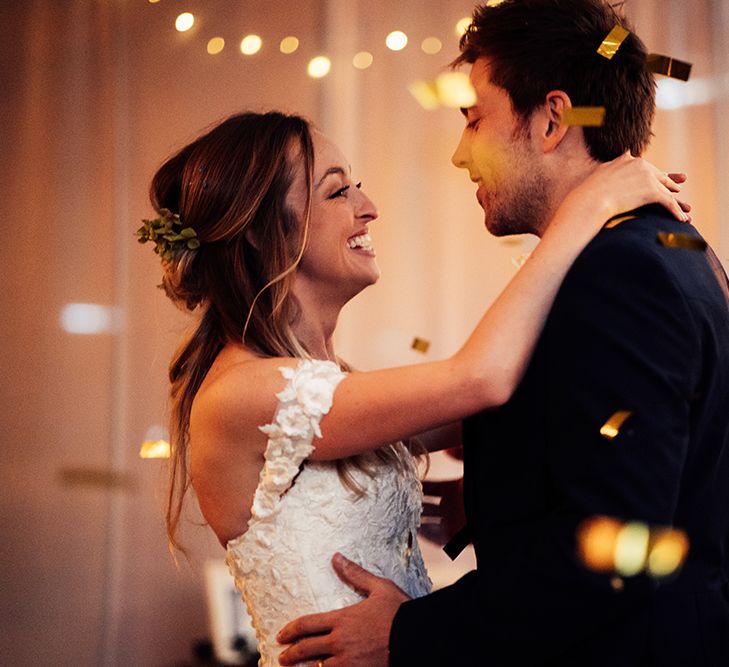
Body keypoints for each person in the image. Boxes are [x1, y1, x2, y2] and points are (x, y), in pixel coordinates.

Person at [140, 109, 686, 667]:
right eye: (337, 193)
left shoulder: (330, 387)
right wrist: (588, 206)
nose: (368, 207)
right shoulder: (247, 393)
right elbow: (481, 379)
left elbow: (507, 405)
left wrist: (496, 494)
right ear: (259, 233)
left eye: (358, 186)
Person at [277, 1, 729, 666]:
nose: (461, 154)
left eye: (473, 118)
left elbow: (617, 547)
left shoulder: (618, 272)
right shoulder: (666, 252)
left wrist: (405, 635)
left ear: (551, 119)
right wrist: (503, 489)